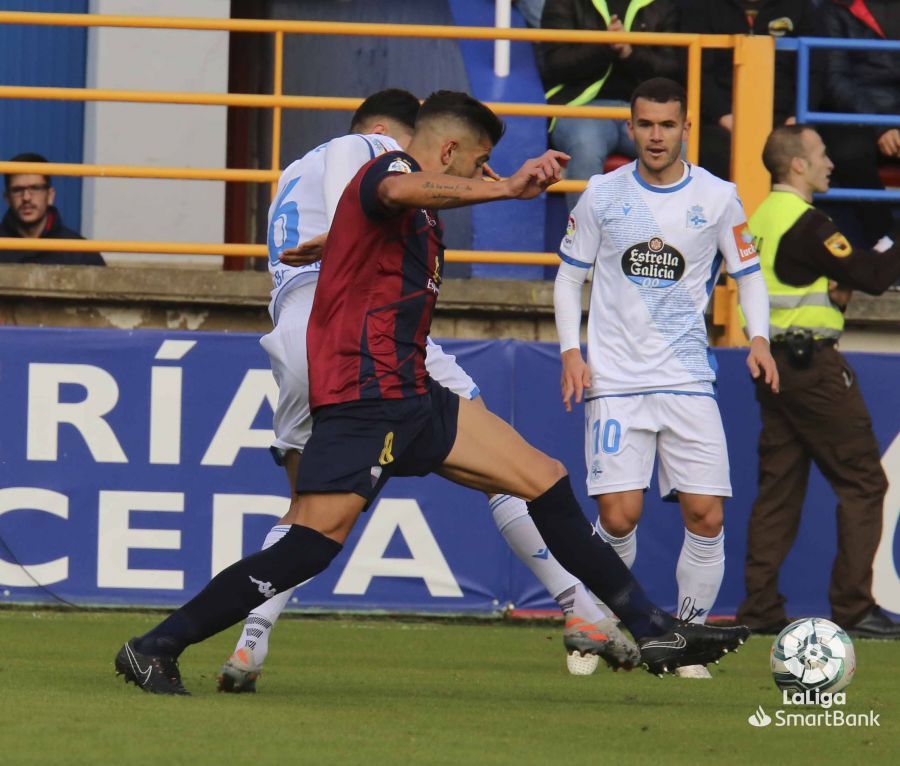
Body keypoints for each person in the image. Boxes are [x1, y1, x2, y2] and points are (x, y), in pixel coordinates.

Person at [114, 90, 749, 695]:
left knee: (544, 479)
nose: (485, 172)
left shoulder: (402, 206)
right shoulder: (390, 165)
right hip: (366, 398)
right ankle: (158, 644)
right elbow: (395, 186)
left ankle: (652, 628)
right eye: (479, 161)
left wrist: (335, 242)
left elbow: (375, 226)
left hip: (413, 392)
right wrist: (503, 188)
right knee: (309, 544)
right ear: (447, 154)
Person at [217, 89, 637, 693]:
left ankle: (249, 643)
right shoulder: (369, 149)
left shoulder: (291, 170)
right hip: (349, 330)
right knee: (498, 454)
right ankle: (580, 607)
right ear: (393, 132)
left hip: (290, 336)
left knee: (308, 516)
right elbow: (371, 204)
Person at [553, 77, 778, 679]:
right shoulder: (601, 194)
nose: (656, 136)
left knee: (706, 514)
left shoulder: (718, 195)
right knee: (620, 516)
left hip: (686, 381)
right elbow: (569, 276)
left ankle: (685, 640)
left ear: (684, 127)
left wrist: (758, 337)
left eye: (667, 125)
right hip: (616, 383)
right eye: (645, 124)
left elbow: (749, 274)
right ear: (631, 127)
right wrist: (571, 352)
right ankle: (595, 626)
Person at [736, 125, 900, 639]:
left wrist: (835, 288)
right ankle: (852, 607)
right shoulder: (809, 225)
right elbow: (874, 275)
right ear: (799, 166)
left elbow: (794, 281)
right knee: (864, 482)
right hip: (812, 370)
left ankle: (760, 609)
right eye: (822, 154)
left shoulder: (759, 220)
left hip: (772, 367)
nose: (831, 163)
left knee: (779, 489)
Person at [539, 0, 683, 208]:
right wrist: (606, 45)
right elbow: (556, 64)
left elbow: (671, 69)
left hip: (646, 110)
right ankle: (584, 237)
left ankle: (671, 236)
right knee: (586, 145)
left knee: (681, 147)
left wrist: (630, 52)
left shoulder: (662, 4)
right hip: (578, 107)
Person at [680, 0, 822, 181]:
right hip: (720, 121)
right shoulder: (702, 6)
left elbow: (815, 70)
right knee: (714, 151)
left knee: (800, 150)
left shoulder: (799, 6)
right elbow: (695, 69)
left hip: (784, 118)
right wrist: (722, 115)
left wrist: (795, 116)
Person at [817, 0, 898, 246]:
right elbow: (835, 77)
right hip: (856, 117)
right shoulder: (834, 8)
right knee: (848, 153)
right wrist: (880, 125)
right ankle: (886, 243)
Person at [1, 153, 104, 265]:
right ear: (7, 198)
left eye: (35, 188)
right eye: (17, 190)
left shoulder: (81, 253)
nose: (26, 197)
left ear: (50, 195)